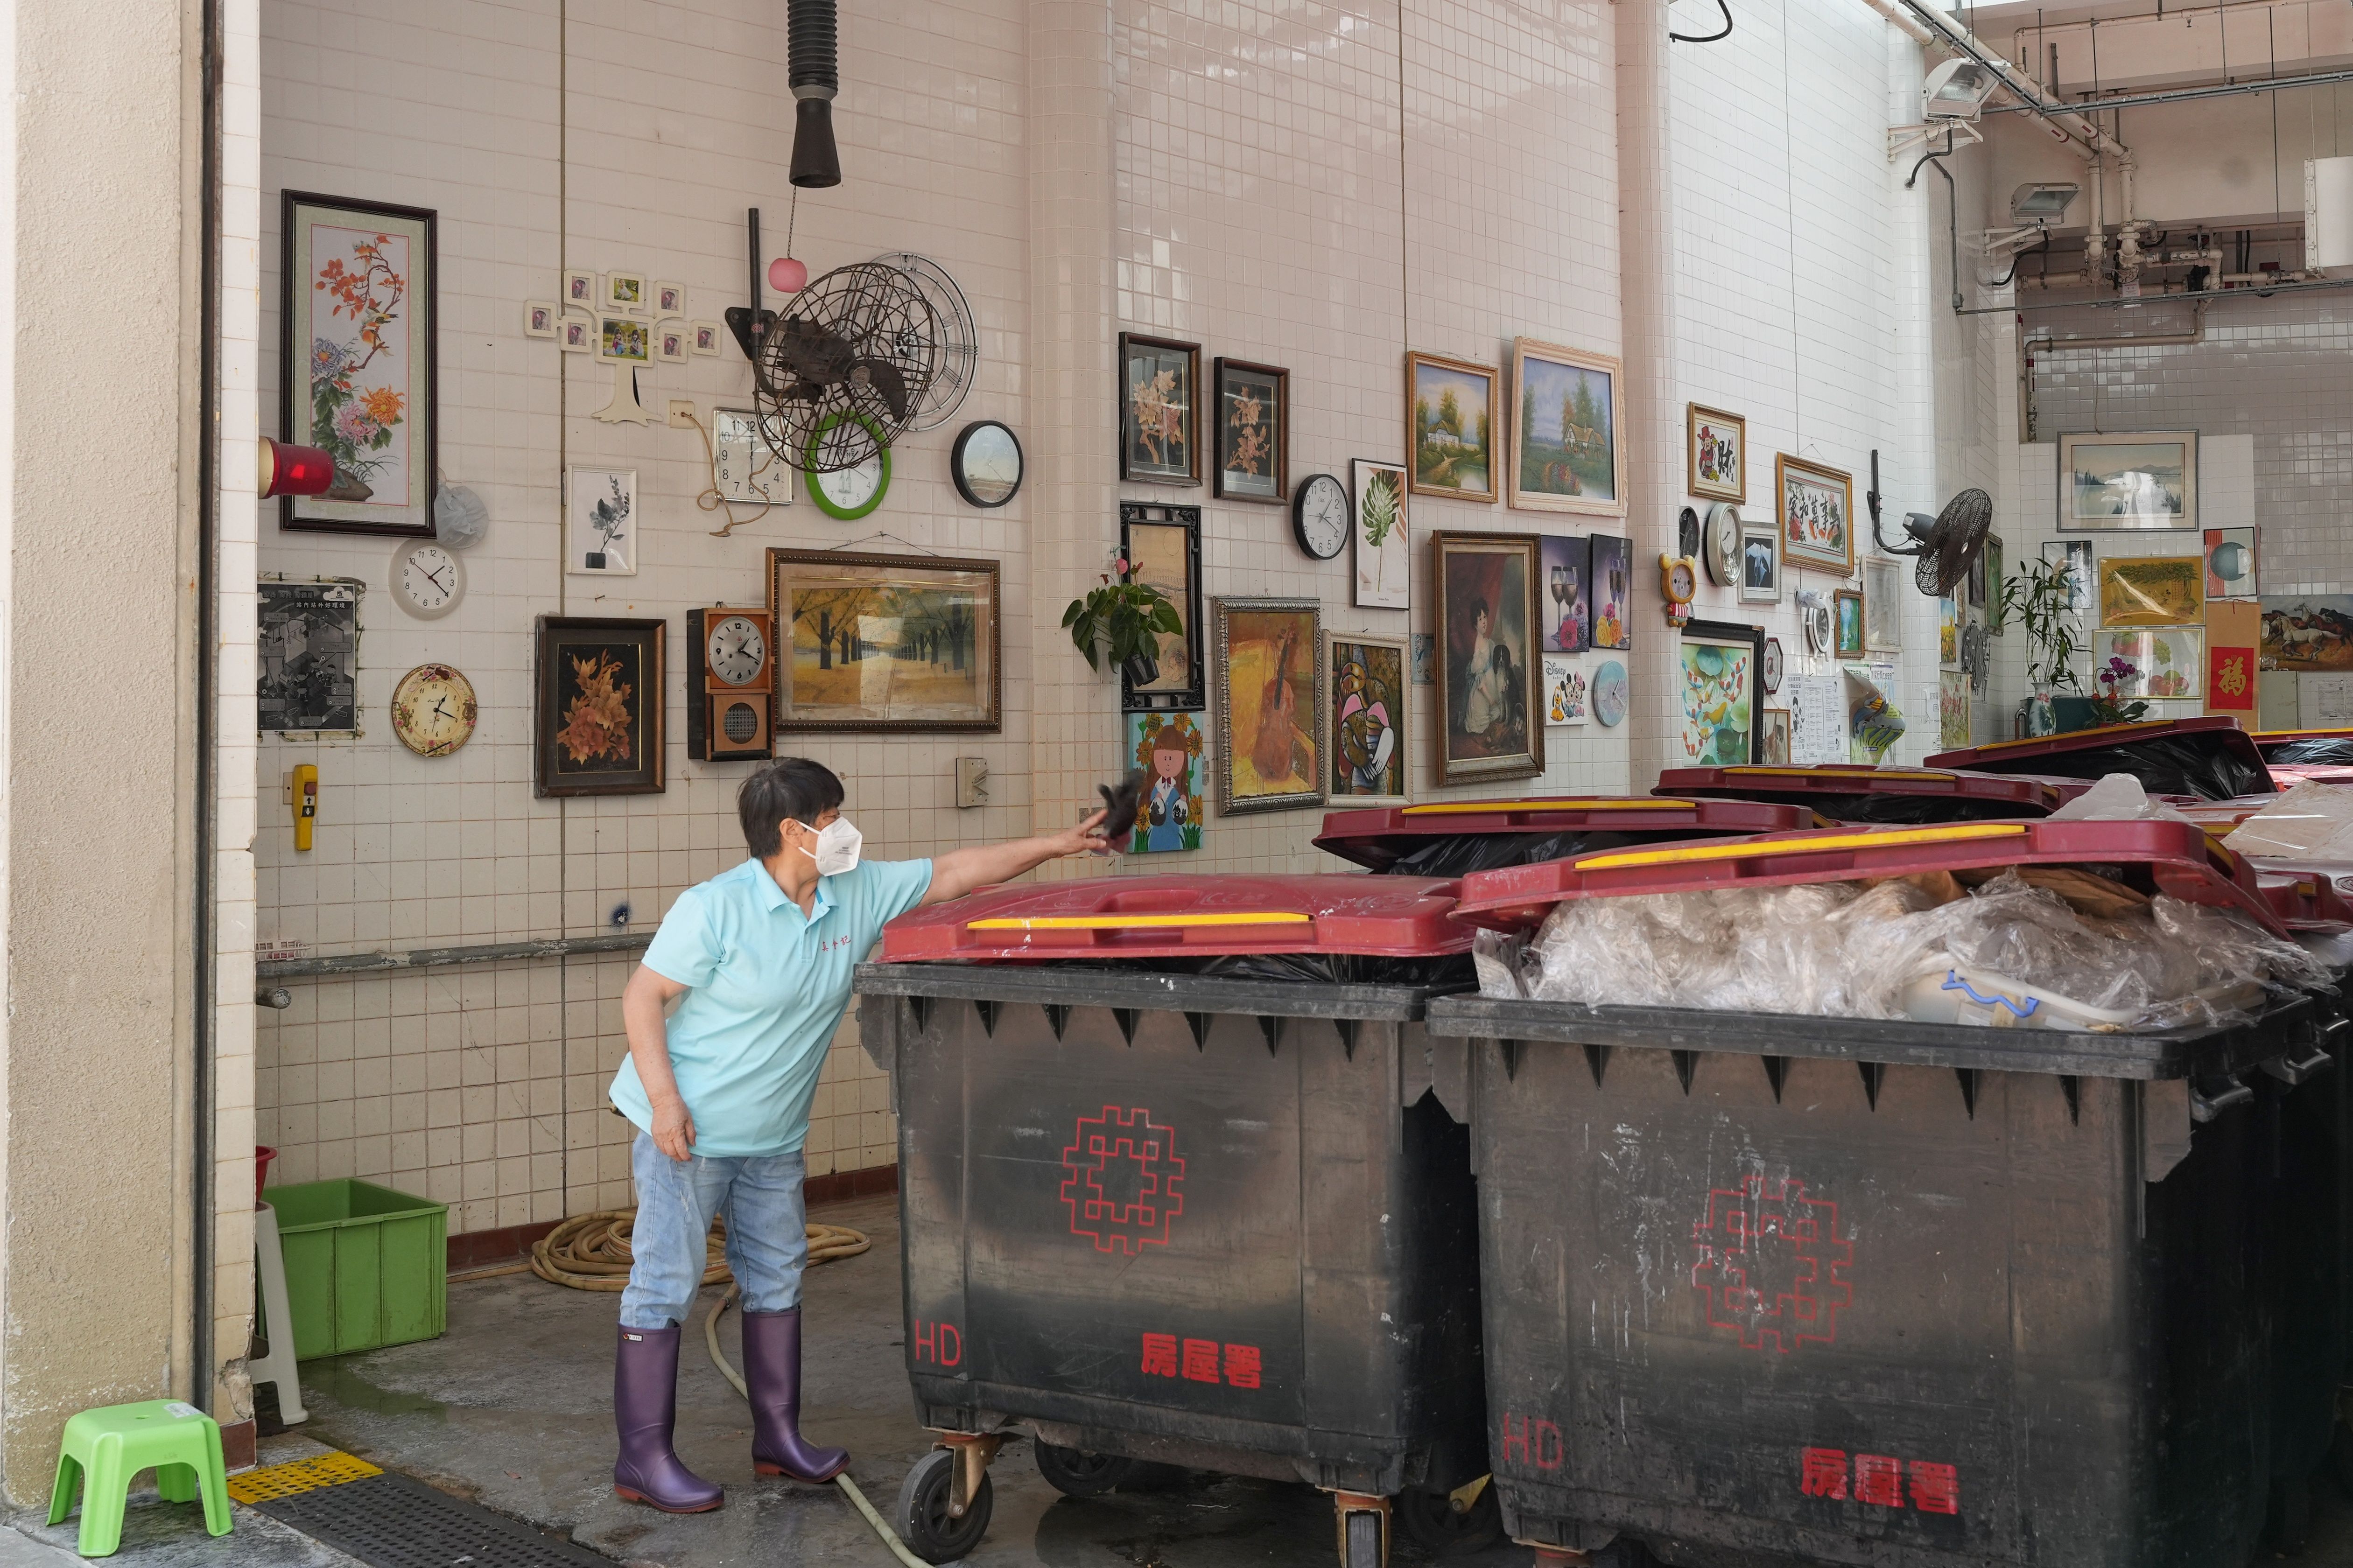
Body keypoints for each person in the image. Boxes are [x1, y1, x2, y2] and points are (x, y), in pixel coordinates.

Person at [607, 757, 1110, 1512]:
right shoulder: (716, 907)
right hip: (692, 1130)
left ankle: (778, 1440)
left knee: (777, 1280)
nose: (845, 829)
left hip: (773, 1136)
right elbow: (643, 997)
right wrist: (664, 1102)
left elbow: (957, 872)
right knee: (664, 1286)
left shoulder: (855, 892)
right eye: (832, 816)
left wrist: (1055, 845)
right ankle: (642, 1459)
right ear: (793, 831)